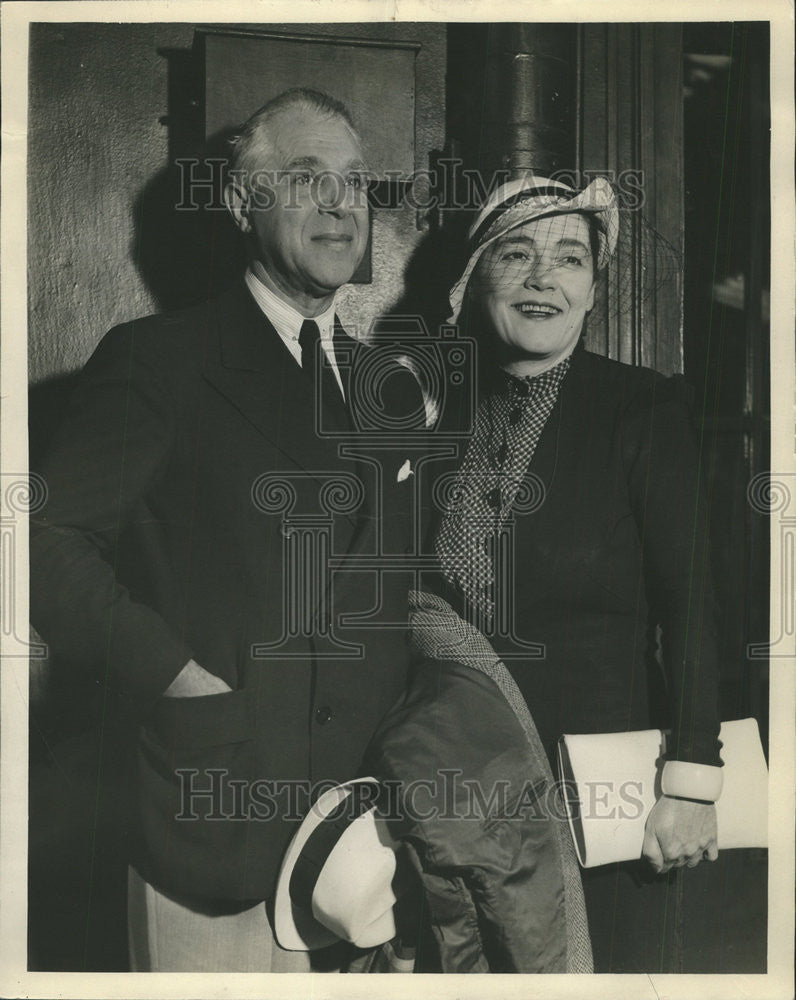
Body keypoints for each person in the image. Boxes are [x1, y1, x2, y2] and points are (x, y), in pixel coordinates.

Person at [28, 88, 424, 972]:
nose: (340, 204)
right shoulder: (157, 361)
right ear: (245, 203)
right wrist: (179, 679)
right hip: (212, 813)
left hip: (364, 832)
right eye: (307, 178)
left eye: (356, 183)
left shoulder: (387, 388)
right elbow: (39, 543)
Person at [412, 174, 723, 972]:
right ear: (476, 278)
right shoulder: (434, 414)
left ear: (593, 287)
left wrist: (690, 784)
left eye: (570, 258)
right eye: (516, 253)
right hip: (466, 797)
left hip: (607, 799)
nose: (543, 278)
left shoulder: (642, 410)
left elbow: (696, 603)